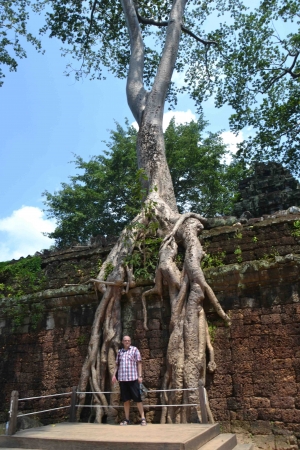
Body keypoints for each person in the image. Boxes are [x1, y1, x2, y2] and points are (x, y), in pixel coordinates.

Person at [112, 335, 147, 426]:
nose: (127, 342)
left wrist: (140, 376)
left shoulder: (135, 350)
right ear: (122, 342)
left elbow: (139, 363)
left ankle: (143, 418)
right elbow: (117, 365)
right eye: (125, 340)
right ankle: (127, 419)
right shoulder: (120, 352)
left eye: (128, 340)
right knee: (126, 400)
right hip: (123, 379)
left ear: (130, 342)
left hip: (133, 378)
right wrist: (114, 375)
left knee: (138, 399)